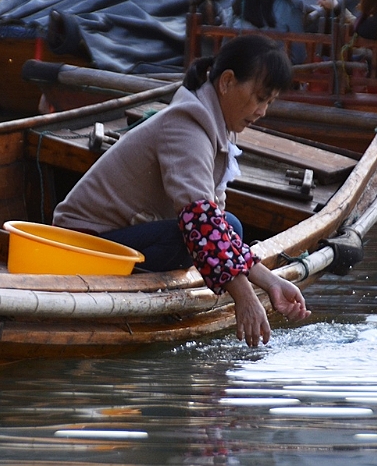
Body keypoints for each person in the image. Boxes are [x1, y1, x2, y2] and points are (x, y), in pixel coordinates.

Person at [53, 35, 311, 348]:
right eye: (259, 97)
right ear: (227, 82)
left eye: (269, 102)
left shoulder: (212, 129)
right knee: (194, 234)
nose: (262, 111)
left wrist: (270, 282)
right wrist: (244, 297)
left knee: (231, 225)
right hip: (81, 248)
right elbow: (199, 222)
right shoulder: (186, 125)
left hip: (119, 241)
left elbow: (216, 224)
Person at [225, 0, 308, 65]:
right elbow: (299, 56)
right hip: (275, 76)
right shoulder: (288, 9)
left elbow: (225, 45)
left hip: (240, 70)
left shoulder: (237, 2)